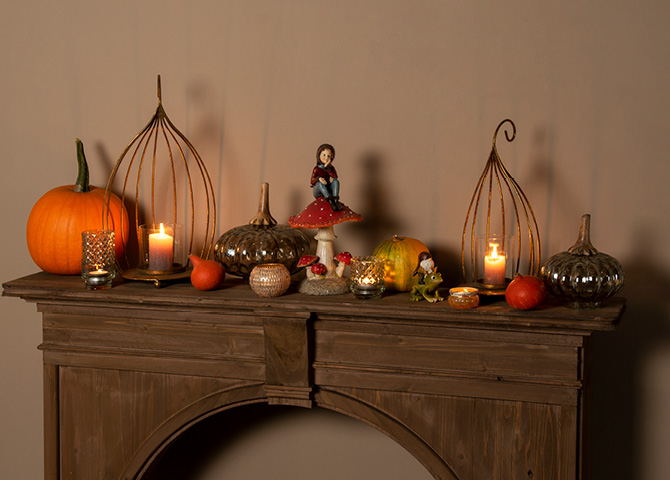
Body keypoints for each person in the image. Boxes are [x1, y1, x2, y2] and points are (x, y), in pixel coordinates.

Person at [311, 143, 342, 211]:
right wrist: (318, 179)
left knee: (336, 181)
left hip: (328, 188)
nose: (326, 158)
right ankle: (330, 201)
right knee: (319, 184)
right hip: (318, 191)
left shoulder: (331, 168)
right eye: (324, 155)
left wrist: (327, 168)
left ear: (331, 157)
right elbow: (312, 181)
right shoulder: (316, 168)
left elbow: (335, 176)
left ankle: (335, 200)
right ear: (319, 155)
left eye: (329, 156)